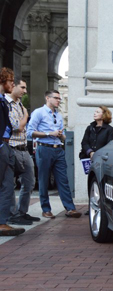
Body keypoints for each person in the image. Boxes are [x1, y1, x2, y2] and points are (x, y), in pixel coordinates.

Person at [27, 90, 81, 219]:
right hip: (44, 148)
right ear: (47, 98)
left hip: (58, 149)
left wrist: (61, 135)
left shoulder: (59, 115)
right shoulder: (39, 112)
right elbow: (29, 132)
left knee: (63, 179)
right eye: (56, 98)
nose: (59, 100)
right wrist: (49, 134)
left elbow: (62, 136)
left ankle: (70, 208)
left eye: (59, 98)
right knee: (43, 179)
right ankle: (46, 209)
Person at [6, 78, 39, 226]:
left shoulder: (20, 104)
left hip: (24, 149)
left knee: (30, 181)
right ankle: (11, 215)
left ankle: (22, 212)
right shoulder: (7, 104)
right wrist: (26, 115)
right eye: (22, 87)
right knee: (9, 184)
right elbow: (17, 127)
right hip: (11, 148)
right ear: (13, 86)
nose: (25, 91)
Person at [0, 67, 24, 236]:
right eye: (10, 81)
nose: (12, 84)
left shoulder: (2, 100)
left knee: (8, 185)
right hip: (2, 146)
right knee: (6, 185)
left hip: (5, 146)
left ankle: (2, 221)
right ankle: (1, 223)